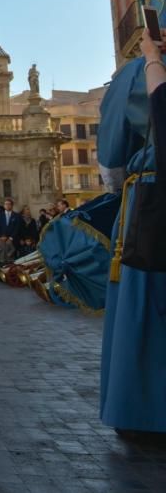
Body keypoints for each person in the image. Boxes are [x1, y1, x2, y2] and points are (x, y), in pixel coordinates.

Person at [99, 27, 166, 437]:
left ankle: (144, 410)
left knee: (145, 303)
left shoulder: (134, 74)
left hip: (149, 199)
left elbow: (111, 155)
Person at [0, 198, 22, 265]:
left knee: (12, 258)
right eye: (6, 204)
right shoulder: (0, 215)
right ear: (4, 205)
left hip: (12, 240)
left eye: (9, 204)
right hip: (2, 240)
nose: (7, 205)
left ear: (12, 205)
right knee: (2, 258)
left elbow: (17, 228)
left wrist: (11, 238)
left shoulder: (17, 216)